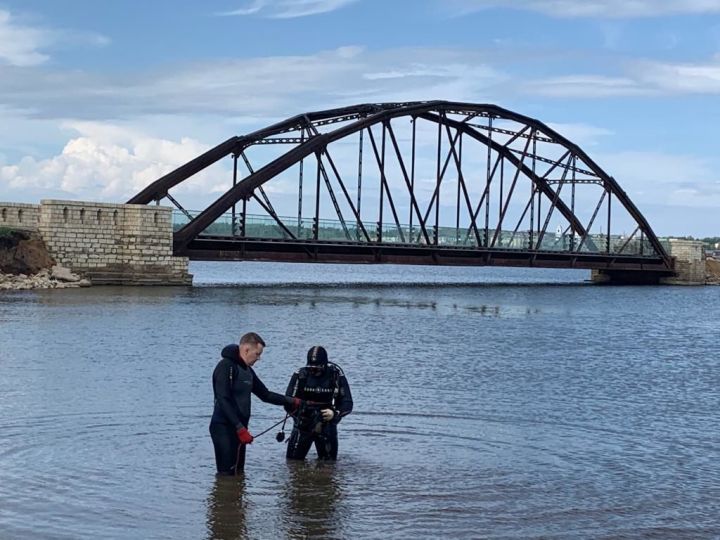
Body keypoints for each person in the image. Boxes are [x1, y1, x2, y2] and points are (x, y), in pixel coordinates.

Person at [210, 332, 302, 475]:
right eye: (257, 354)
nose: (259, 358)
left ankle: (238, 497)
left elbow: (265, 394)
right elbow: (223, 399)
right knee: (226, 476)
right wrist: (239, 428)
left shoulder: (247, 371)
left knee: (239, 473)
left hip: (241, 429)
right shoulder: (226, 366)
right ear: (246, 350)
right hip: (224, 428)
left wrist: (293, 401)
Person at [285, 346, 353, 461]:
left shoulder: (335, 375)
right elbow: (287, 401)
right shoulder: (300, 375)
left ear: (325, 365)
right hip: (303, 424)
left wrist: (335, 413)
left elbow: (348, 403)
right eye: (311, 368)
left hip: (326, 423)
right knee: (293, 463)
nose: (314, 372)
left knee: (329, 465)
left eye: (317, 369)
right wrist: (299, 415)